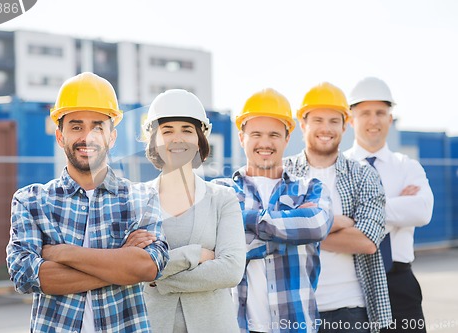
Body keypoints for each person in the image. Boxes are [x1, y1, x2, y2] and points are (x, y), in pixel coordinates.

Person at [6, 72, 169, 333]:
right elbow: (27, 275)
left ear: (111, 137)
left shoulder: (142, 198)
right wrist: (119, 264)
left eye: (97, 126)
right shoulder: (31, 201)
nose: (87, 137)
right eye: (76, 126)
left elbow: (149, 267)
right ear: (60, 136)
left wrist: (64, 253)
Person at [214, 88, 333, 333]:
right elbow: (215, 251)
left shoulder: (310, 187)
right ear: (241, 137)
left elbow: (316, 225)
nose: (265, 143)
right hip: (236, 327)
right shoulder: (219, 191)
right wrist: (291, 234)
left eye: (274, 135)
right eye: (256, 134)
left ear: (287, 139)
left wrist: (241, 223)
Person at [284, 82, 392, 333]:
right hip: (292, 308)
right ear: (303, 124)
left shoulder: (364, 175)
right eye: (318, 120)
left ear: (345, 126)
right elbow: (271, 231)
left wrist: (301, 229)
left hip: (349, 310)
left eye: (334, 121)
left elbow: (367, 241)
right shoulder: (283, 174)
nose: (326, 128)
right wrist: (339, 222)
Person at [141, 89, 246, 333]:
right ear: (154, 140)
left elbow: (230, 270)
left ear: (200, 139)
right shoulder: (136, 201)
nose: (177, 139)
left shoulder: (223, 199)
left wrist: (158, 279)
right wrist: (194, 254)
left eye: (187, 130)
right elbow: (130, 269)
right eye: (167, 131)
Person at [345, 77, 434, 333]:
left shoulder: (407, 166)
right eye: (365, 113)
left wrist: (359, 214)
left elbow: (422, 211)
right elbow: (331, 218)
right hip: (351, 283)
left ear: (390, 118)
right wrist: (397, 205)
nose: (374, 120)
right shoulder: (339, 168)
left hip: (400, 285)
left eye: (380, 113)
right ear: (351, 120)